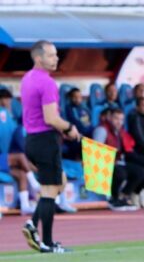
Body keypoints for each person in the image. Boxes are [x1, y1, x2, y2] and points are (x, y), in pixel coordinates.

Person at [20, 40, 80, 253]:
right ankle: (47, 242)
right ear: (38, 58)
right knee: (49, 190)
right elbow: (51, 118)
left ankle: (33, 225)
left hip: (32, 140)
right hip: (45, 141)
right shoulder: (47, 82)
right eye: (51, 55)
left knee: (58, 183)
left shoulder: (27, 78)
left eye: (56, 55)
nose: (56, 59)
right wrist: (70, 127)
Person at [92, 108, 143, 211]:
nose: (119, 122)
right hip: (101, 164)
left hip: (116, 162)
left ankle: (122, 197)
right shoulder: (102, 130)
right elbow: (96, 153)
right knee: (120, 173)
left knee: (140, 172)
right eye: (116, 118)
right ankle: (113, 199)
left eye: (121, 119)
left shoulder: (119, 132)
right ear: (109, 118)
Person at [1, 88, 39, 216]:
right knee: (20, 157)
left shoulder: (9, 116)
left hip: (4, 159)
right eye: (5, 99)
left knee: (22, 174)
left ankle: (25, 206)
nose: (8, 102)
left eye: (9, 99)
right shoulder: (3, 114)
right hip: (2, 158)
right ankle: (34, 184)